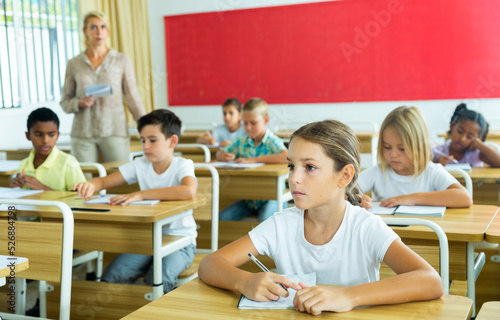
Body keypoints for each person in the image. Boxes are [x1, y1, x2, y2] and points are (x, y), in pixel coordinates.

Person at [198, 120, 443, 316]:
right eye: (291, 166)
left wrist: (348, 296)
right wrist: (245, 281)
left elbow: (430, 281)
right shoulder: (281, 224)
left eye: (310, 167)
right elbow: (209, 264)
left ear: (344, 176)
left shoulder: (365, 227)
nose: (294, 178)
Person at [73, 109, 197, 292]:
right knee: (111, 277)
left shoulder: (183, 165)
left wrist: (141, 194)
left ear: (172, 141)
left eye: (152, 140)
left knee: (159, 279)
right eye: (142, 140)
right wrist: (92, 184)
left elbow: (188, 191)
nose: (145, 146)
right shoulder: (140, 164)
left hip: (181, 241)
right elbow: (104, 181)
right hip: (147, 239)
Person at [60, 10, 146, 163]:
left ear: (108, 31)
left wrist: (145, 125)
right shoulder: (74, 63)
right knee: (83, 182)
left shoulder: (121, 60)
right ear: (85, 31)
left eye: (103, 27)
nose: (99, 32)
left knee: (119, 180)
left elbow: (133, 96)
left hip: (114, 130)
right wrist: (79, 103)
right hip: (82, 133)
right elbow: (65, 102)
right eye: (93, 27)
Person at [359, 106, 472, 210]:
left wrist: (411, 198)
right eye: (387, 147)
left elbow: (464, 198)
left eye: (402, 149)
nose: (393, 154)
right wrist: (356, 198)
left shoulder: (431, 171)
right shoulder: (378, 172)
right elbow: (343, 189)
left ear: (419, 147)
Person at [216, 97, 288, 221]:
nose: (248, 127)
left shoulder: (272, 141)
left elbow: (287, 156)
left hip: (272, 198)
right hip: (249, 199)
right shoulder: (241, 141)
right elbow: (219, 152)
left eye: (253, 123)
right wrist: (222, 156)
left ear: (265, 120)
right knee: (222, 218)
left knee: (265, 222)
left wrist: (254, 160)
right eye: (245, 123)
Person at [11, 107, 86, 191]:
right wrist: (16, 188)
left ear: (57, 135)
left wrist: (43, 188)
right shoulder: (23, 164)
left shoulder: (68, 163)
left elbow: (79, 199)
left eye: (51, 135)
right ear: (28, 136)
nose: (45, 141)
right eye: (39, 135)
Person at [432, 103, 500, 168]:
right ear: (452, 126)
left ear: (477, 138)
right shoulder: (438, 151)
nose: (462, 139)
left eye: (469, 137)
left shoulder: (475, 154)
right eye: (460, 132)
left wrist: (479, 144)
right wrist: (435, 163)